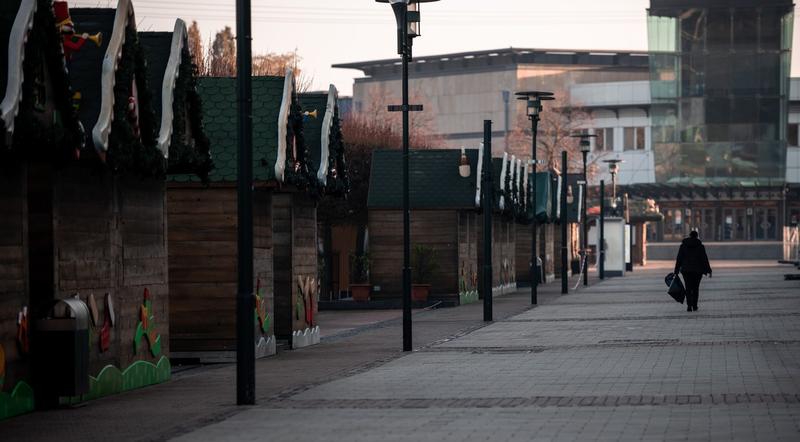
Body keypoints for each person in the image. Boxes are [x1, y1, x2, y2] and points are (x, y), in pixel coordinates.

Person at [674, 230, 712, 312]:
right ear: (697, 236)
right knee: (695, 288)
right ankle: (694, 305)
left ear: (689, 235)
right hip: (697, 271)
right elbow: (704, 259)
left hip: (686, 270)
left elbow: (679, 259)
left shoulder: (683, 246)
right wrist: (709, 270)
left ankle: (689, 306)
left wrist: (676, 271)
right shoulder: (700, 246)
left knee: (688, 288)